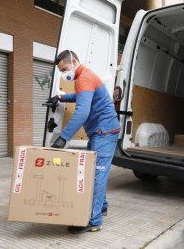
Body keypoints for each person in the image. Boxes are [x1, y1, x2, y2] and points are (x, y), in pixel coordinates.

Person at [45, 50, 120, 234]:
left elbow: (82, 112)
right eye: (61, 71)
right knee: (95, 173)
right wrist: (61, 97)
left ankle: (94, 221)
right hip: (100, 132)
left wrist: (63, 138)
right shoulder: (84, 77)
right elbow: (82, 97)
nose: (64, 74)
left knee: (96, 175)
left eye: (65, 69)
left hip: (104, 132)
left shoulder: (84, 79)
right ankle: (101, 206)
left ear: (74, 61)